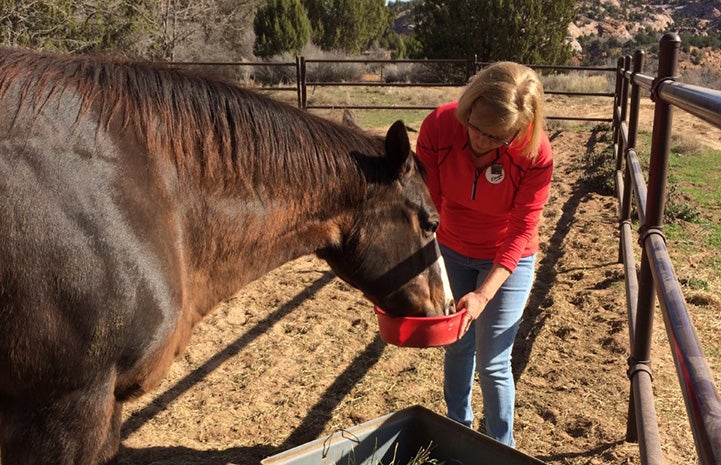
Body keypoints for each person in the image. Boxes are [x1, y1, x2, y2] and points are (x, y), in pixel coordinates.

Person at [415, 61, 553, 448]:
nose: (480, 140)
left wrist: (484, 294)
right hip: (453, 247)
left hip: (507, 257)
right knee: (457, 346)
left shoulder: (535, 153)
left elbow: (522, 228)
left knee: (493, 363)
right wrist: (432, 263)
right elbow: (430, 203)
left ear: (520, 129)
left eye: (497, 138)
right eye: (475, 127)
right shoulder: (440, 126)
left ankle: (499, 447)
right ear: (468, 107)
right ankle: (457, 432)